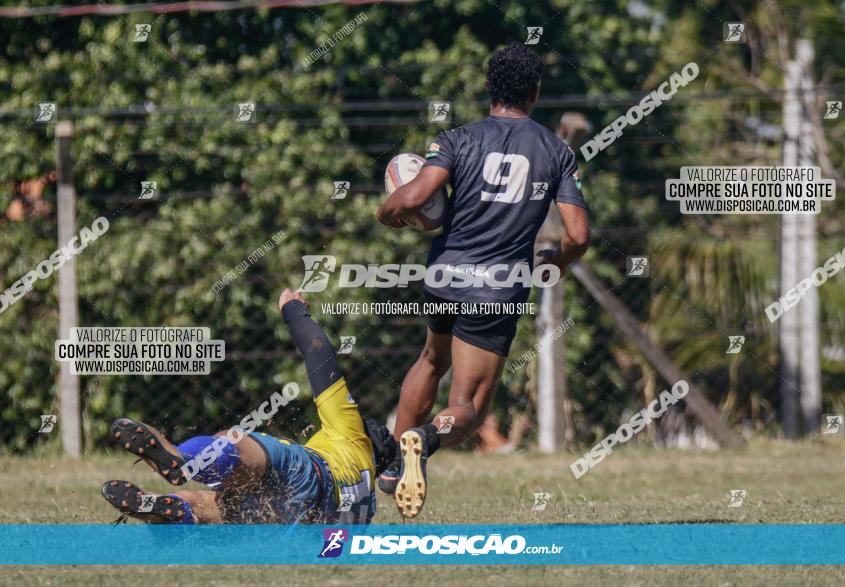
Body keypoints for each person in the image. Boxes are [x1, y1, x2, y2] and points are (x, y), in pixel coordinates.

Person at [375, 43, 590, 518]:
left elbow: (415, 196)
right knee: (467, 408)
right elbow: (578, 234)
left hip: (443, 275)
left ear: (490, 89)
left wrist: (388, 212)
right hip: (495, 289)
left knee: (431, 358)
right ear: (535, 93)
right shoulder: (556, 152)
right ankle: (422, 439)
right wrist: (553, 263)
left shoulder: (455, 139)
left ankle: (391, 462)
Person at [101, 289, 395, 525]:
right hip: (294, 518)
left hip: (311, 473)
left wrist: (293, 310)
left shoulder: (353, 435)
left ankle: (183, 458)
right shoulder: (365, 509)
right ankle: (168, 507)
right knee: (217, 506)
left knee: (237, 444)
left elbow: (319, 350)